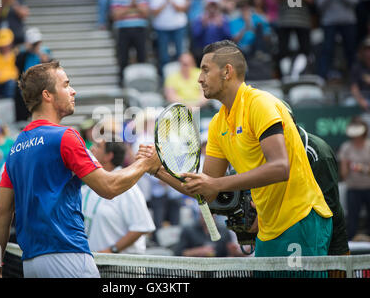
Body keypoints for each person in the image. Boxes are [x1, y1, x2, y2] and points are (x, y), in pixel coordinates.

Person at [138, 40, 333, 258]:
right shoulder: (217, 124)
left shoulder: (260, 103)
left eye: (205, 70)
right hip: (267, 231)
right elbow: (206, 191)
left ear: (227, 71)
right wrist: (158, 170)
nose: (199, 78)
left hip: (300, 220)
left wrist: (216, 183)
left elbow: (280, 167)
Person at [0, 61, 159, 278]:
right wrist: (145, 163)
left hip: (30, 264)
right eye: (66, 85)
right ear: (47, 95)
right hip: (68, 258)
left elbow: (1, 215)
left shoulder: (15, 149)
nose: (73, 91)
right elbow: (109, 187)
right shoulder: (65, 137)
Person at [283, 100, 349, 255]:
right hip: (278, 231)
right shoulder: (259, 148)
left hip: (314, 233)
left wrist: (339, 251)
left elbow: (329, 206)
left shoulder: (318, 153)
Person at [82, 139, 155, 254]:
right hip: (94, 265)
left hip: (122, 267)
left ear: (108, 156)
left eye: (98, 146)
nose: (92, 149)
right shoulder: (88, 187)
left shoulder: (129, 188)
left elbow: (141, 227)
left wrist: (112, 250)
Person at [317, 0, 358, 80]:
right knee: (327, 49)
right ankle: (322, 77)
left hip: (348, 21)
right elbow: (319, 4)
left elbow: (354, 1)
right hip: (329, 22)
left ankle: (354, 78)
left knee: (350, 50)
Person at [273, 0, 315, 78]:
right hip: (284, 21)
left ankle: (300, 73)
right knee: (283, 50)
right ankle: (285, 74)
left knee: (305, 49)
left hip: (302, 21)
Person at [111, 0, 149, 82]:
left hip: (139, 29)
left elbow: (145, 13)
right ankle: (122, 81)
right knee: (123, 57)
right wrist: (131, 4)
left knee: (142, 56)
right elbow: (116, 15)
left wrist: (133, 3)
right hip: (124, 29)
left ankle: (143, 80)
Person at [338, 117, 370, 241]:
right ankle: (351, 242)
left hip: (368, 188)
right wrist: (345, 164)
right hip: (353, 189)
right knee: (352, 219)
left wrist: (362, 169)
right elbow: (344, 175)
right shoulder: (346, 148)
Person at [149, 0, 189, 74]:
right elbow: (154, 12)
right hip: (161, 28)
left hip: (178, 26)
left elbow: (183, 8)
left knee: (180, 53)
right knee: (164, 56)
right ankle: (165, 79)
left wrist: (172, 2)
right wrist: (165, 2)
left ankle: (182, 76)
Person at [190, 0, 231, 66]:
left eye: (214, 5)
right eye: (210, 5)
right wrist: (203, 25)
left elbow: (228, 36)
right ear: (206, 6)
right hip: (203, 53)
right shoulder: (200, 18)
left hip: (220, 53)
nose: (212, 8)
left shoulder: (224, 19)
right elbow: (195, 35)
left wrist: (221, 26)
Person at [350, 37, 370, 112]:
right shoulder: (357, 67)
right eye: (366, 49)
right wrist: (360, 100)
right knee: (349, 103)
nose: (368, 52)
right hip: (361, 98)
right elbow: (354, 88)